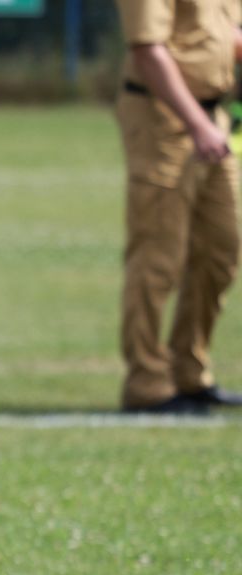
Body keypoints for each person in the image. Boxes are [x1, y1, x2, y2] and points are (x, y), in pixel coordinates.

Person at [115, 0, 242, 413]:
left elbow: (220, 40)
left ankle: (189, 370)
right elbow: (147, 51)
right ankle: (147, 382)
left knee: (221, 251)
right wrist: (197, 124)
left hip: (214, 117)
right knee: (157, 257)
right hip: (164, 120)